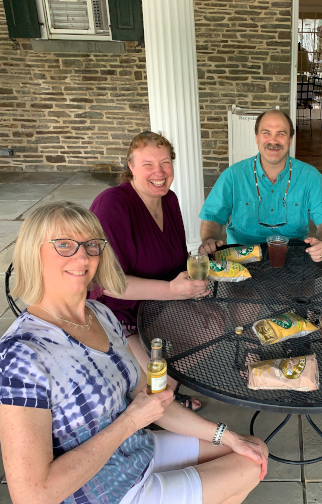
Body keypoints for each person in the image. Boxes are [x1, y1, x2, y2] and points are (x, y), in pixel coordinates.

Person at [0, 202, 268, 504]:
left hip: (135, 452)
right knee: (247, 467)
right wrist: (130, 421)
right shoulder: (20, 354)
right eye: (64, 245)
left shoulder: (99, 314)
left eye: (91, 244)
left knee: (249, 449)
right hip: (102, 492)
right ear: (35, 252)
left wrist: (227, 436)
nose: (82, 256)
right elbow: (31, 496)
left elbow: (150, 401)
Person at [90, 131, 206, 411]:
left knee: (212, 325)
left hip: (159, 304)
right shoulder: (112, 203)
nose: (159, 172)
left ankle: (164, 400)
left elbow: (176, 261)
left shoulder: (170, 200)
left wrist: (193, 273)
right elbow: (109, 283)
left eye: (166, 163)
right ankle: (151, 409)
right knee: (159, 378)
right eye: (148, 164)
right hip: (117, 311)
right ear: (130, 166)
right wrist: (171, 290)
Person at [198, 109, 322, 262]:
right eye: (266, 133)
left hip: (294, 259)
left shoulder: (310, 176)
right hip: (242, 260)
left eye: (281, 134)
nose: (273, 141)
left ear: (290, 140)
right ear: (256, 137)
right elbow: (212, 218)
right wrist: (209, 239)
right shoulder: (232, 176)